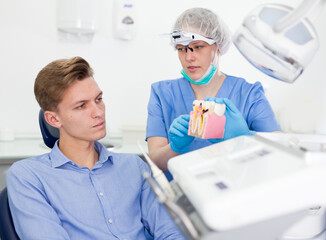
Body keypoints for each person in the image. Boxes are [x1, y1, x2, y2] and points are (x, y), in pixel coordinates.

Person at [6, 57, 185, 240]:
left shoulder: (133, 167)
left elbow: (170, 232)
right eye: (81, 106)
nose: (98, 112)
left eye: (98, 99)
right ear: (54, 119)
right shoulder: (28, 177)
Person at [146, 8, 281, 180]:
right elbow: (155, 161)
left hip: (233, 195)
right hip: (179, 199)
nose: (189, 57)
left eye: (198, 47)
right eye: (181, 49)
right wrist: (175, 147)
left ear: (218, 46)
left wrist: (244, 138)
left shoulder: (249, 94)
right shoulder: (162, 94)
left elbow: (281, 153)